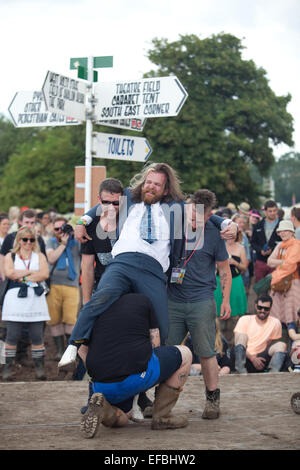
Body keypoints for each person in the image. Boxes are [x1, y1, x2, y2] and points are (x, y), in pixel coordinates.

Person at [59, 163, 237, 366]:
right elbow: (102, 204)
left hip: (152, 270)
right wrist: (82, 221)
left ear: (166, 189)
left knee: (162, 324)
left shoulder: (175, 207)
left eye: (157, 185)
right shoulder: (129, 198)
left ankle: (149, 374)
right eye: (148, 182)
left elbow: (202, 213)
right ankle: (73, 345)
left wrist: (228, 223)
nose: (150, 187)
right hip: (123, 261)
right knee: (101, 297)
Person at [78, 293, 192, 438]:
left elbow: (81, 347)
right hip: (136, 377)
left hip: (100, 384)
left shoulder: (93, 305)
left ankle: (104, 410)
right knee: (185, 354)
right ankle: (162, 417)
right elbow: (155, 343)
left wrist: (100, 369)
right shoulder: (142, 299)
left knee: (124, 417)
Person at [166, 189, 232, 420]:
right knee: (168, 351)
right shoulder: (175, 222)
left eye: (199, 217)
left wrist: (225, 300)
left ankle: (212, 399)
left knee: (206, 352)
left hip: (202, 299)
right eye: (192, 214)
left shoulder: (215, 232)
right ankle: (161, 403)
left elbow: (224, 269)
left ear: (209, 215)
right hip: (172, 298)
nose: (193, 220)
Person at [1, 226, 50, 380]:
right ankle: (7, 369)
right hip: (15, 299)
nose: (28, 242)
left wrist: (22, 276)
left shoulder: (39, 255)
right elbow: (9, 273)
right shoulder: (11, 256)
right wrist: (31, 273)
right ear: (19, 240)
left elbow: (45, 274)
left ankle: (40, 369)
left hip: (35, 299)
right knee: (12, 335)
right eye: (25, 239)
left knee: (37, 336)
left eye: (31, 239)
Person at [46, 217, 81, 360]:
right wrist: (62, 244)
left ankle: (69, 351)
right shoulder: (51, 242)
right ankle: (60, 350)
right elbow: (51, 259)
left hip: (72, 285)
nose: (60, 231)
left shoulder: (77, 243)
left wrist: (75, 233)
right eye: (57, 229)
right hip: (53, 284)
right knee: (54, 320)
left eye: (63, 228)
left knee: (70, 320)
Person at [233, 293, 287, 374]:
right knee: (241, 336)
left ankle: (273, 373)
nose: (262, 311)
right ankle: (240, 370)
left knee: (281, 345)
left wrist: (257, 358)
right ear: (255, 306)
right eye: (260, 307)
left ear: (270, 308)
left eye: (266, 309)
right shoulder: (244, 319)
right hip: (243, 356)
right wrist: (252, 358)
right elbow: (237, 343)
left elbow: (272, 344)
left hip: (262, 358)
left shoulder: (275, 322)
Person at [214, 229, 248, 346]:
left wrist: (234, 262)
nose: (231, 237)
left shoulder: (241, 248)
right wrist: (220, 265)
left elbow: (244, 267)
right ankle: (219, 341)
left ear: (237, 235)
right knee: (219, 311)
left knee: (235, 313)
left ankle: (235, 342)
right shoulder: (219, 247)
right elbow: (213, 266)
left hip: (236, 282)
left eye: (233, 235)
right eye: (229, 235)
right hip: (220, 281)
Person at [267, 220, 300, 326]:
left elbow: (290, 266)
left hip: (292, 282)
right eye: (281, 231)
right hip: (278, 282)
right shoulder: (281, 245)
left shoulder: (296, 245)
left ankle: (293, 338)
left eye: (286, 230)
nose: (283, 233)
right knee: (277, 313)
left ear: (292, 232)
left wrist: (279, 264)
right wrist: (283, 262)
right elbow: (269, 261)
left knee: (292, 314)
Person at [251, 200, 281, 282]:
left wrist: (273, 249)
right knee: (260, 287)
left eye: (274, 210)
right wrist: (260, 250)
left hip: (276, 261)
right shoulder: (258, 225)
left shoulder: (282, 224)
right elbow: (253, 242)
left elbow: (285, 242)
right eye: (270, 211)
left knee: (275, 287)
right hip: (261, 261)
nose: (272, 213)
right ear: (265, 212)